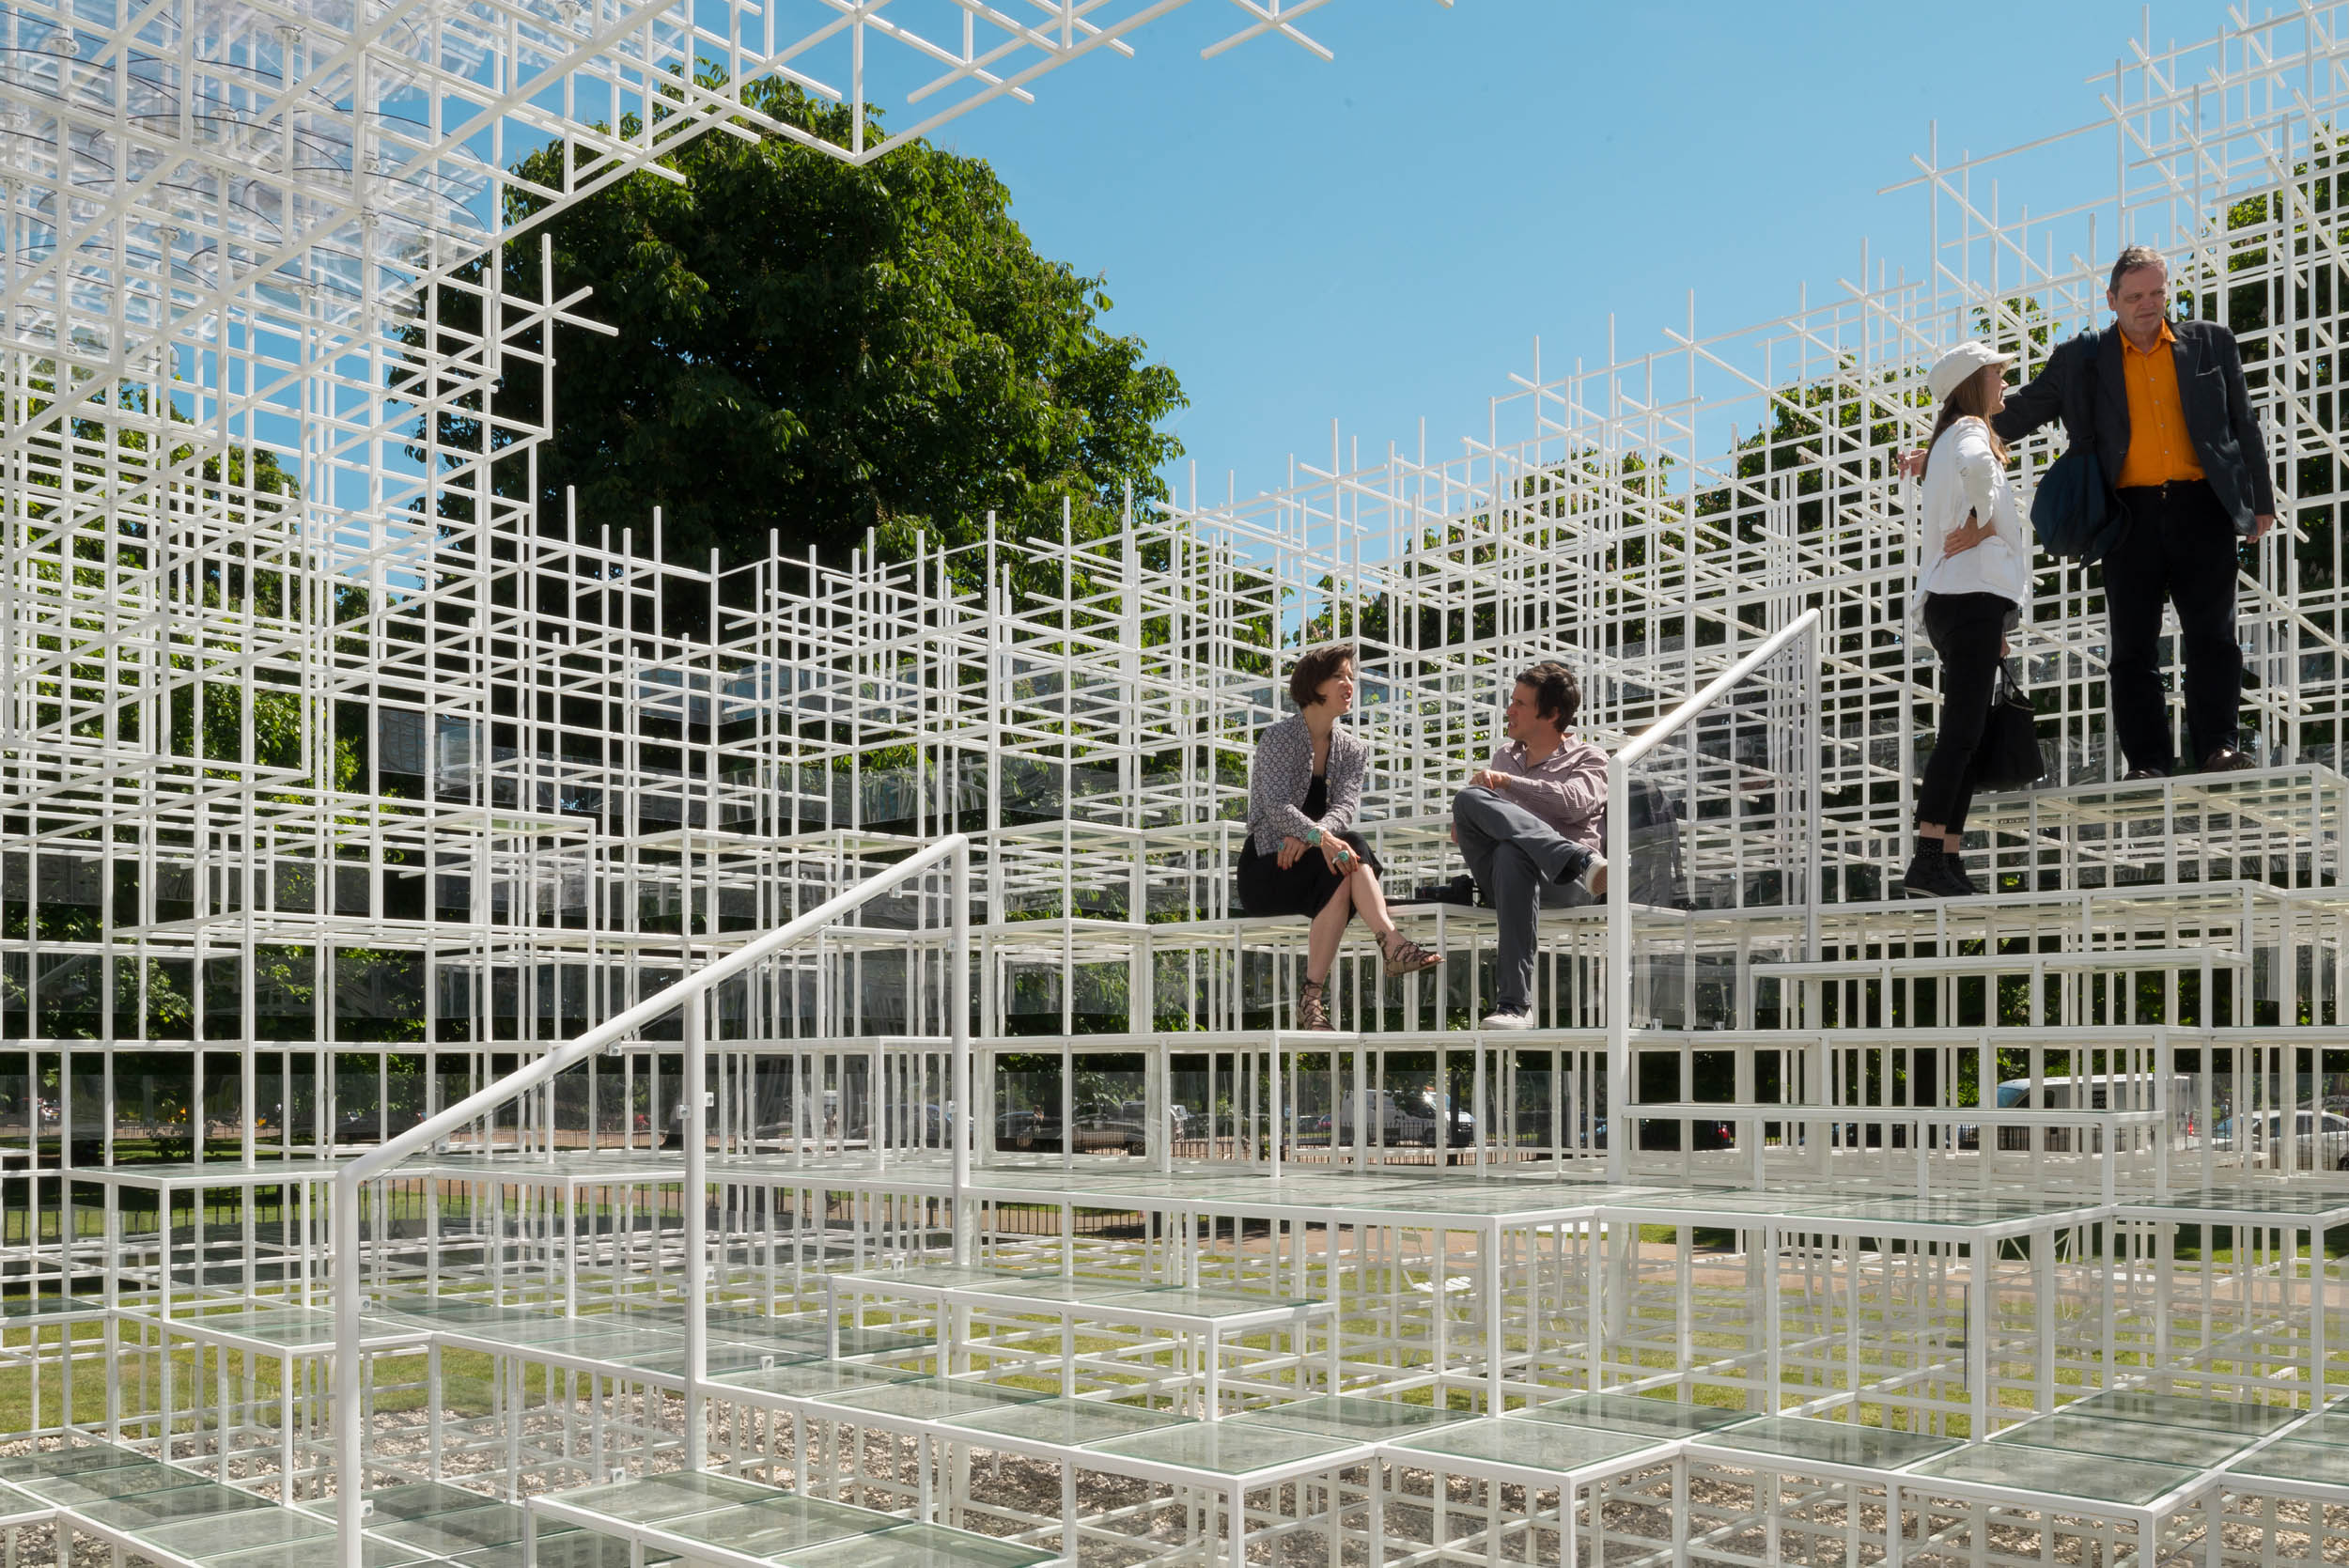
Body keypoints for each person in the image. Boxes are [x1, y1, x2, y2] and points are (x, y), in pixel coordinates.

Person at [1915, 246, 2276, 778]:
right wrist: (1940, 446)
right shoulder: (2081, 358)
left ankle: (2217, 748)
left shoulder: (2211, 342)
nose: (2148, 304)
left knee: (2214, 636)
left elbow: (2243, 421)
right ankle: (2148, 762)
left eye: (2157, 293)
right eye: (2135, 296)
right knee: (2132, 646)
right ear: (2111, 299)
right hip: (2126, 514)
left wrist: (2261, 502)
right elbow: (2020, 411)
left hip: (2204, 506)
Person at [1239, 644, 1439, 1031]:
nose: (1349, 684)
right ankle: (1391, 944)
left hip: (1321, 865)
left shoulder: (1353, 749)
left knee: (1348, 855)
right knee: (1351, 848)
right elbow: (1276, 807)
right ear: (1314, 685)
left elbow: (1345, 808)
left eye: (1351, 676)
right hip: (1269, 866)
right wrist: (1320, 838)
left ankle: (1312, 1001)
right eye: (1339, 676)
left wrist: (1314, 838)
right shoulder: (1279, 738)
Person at [1906, 340, 2031, 898]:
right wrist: (1982, 522)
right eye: (1997, 373)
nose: (2004, 382)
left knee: (1966, 735)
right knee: (1960, 735)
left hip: (1959, 601)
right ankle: (1929, 860)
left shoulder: (1949, 436)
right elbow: (1980, 468)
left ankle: (1945, 858)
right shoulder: (1970, 431)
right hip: (1970, 598)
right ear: (1974, 383)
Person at [1450, 662, 1608, 1031]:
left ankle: (1515, 1006)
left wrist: (1508, 784)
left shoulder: (1590, 758)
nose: (1510, 710)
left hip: (1567, 884)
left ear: (1551, 714)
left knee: (1511, 852)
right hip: (1507, 880)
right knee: (1468, 799)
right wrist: (1473, 820)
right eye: (1512, 701)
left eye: (1520, 703)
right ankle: (1578, 858)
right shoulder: (1504, 756)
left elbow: (1575, 804)